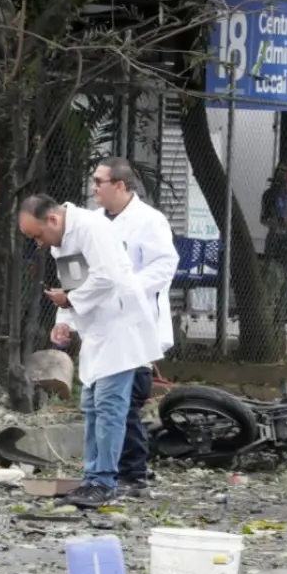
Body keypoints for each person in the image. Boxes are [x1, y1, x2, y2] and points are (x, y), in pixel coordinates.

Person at [19, 194, 165, 508]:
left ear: (53, 220)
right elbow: (73, 284)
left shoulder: (91, 228)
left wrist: (70, 303)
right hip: (99, 331)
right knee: (92, 405)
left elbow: (106, 278)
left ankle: (104, 481)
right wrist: (65, 321)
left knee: (110, 405)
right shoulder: (62, 240)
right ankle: (91, 479)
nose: (39, 243)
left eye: (37, 235)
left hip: (121, 325)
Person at [88, 157, 179, 494]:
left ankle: (133, 475)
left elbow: (165, 264)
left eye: (100, 182)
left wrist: (129, 288)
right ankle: (112, 469)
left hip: (136, 322)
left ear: (121, 186)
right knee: (105, 401)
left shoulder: (149, 221)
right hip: (103, 323)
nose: (94, 188)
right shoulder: (93, 222)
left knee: (125, 402)